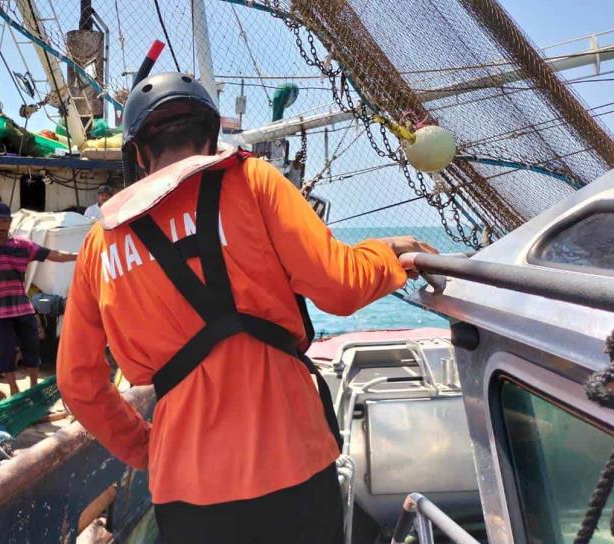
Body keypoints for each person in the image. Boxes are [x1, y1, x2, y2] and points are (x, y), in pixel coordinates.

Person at [56, 73, 438, 544]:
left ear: (138, 154)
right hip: (294, 466)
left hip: (186, 487)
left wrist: (148, 447)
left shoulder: (103, 243)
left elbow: (78, 381)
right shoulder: (252, 180)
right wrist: (386, 254)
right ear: (211, 136)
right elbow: (340, 286)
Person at [0, 202, 78, 396]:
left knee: (32, 349)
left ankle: (33, 388)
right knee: (6, 354)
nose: (0, 225)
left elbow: (52, 255)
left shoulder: (23, 246)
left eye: (4, 221)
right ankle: (13, 390)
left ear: (10, 222)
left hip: (22, 308)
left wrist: (78, 256)